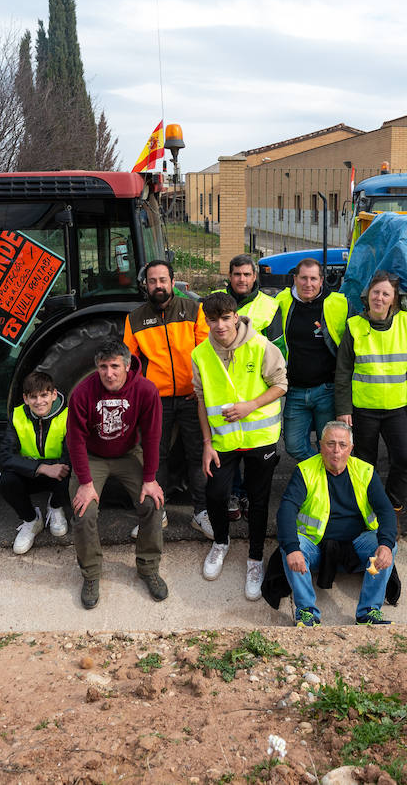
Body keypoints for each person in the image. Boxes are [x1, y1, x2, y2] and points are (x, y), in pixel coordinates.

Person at [191, 292, 287, 598]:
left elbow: (281, 385)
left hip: (260, 439)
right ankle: (221, 542)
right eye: (212, 319)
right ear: (206, 320)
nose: (219, 325)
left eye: (225, 318)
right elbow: (201, 400)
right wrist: (207, 443)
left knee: (258, 502)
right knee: (216, 494)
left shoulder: (260, 346)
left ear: (235, 316)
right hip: (223, 441)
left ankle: (255, 559)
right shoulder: (200, 354)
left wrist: (250, 406)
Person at [67, 341, 168, 609]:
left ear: (126, 365)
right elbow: (75, 440)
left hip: (127, 452)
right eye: (103, 367)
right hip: (93, 455)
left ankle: (148, 567)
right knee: (84, 510)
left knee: (152, 502)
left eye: (114, 366)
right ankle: (90, 573)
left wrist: (150, 478)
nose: (109, 373)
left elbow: (152, 436)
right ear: (96, 368)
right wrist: (86, 484)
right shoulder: (83, 392)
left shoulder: (145, 390)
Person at [277, 421, 397, 626]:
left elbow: (386, 511)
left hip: (357, 547)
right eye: (330, 444)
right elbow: (286, 511)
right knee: (290, 544)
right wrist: (292, 548)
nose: (336, 450)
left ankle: (369, 612)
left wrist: (385, 544)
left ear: (351, 448)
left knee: (387, 546)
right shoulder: (305, 471)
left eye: (342, 445)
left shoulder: (365, 471)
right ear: (320, 446)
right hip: (316, 549)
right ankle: (307, 613)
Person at [123, 258, 211, 537]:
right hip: (156, 400)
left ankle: (201, 513)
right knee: (154, 457)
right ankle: (156, 515)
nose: (158, 286)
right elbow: (130, 364)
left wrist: (202, 392)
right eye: (152, 281)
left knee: (197, 455)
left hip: (191, 397)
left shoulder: (193, 310)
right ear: (146, 285)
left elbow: (206, 354)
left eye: (163, 280)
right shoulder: (134, 319)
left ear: (173, 283)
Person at [335, 271, 407, 512]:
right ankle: (365, 508)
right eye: (376, 292)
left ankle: (392, 506)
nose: (380, 298)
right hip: (363, 410)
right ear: (368, 295)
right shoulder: (354, 326)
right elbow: (343, 371)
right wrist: (343, 409)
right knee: (364, 464)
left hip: (398, 410)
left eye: (386, 293)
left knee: (405, 459)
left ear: (393, 298)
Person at [212, 253, 283, 520]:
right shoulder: (215, 299)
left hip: (258, 392)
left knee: (257, 446)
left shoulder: (269, 305)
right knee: (229, 444)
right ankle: (235, 492)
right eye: (236, 274)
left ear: (255, 277)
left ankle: (252, 495)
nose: (241, 279)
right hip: (224, 388)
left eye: (246, 274)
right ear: (229, 276)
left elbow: (279, 349)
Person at [276, 257, 351, 462]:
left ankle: (325, 488)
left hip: (326, 390)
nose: (308, 284)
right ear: (295, 279)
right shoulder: (281, 302)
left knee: (327, 445)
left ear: (321, 280)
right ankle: (323, 473)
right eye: (303, 278)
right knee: (293, 445)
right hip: (295, 391)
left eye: (313, 279)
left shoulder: (338, 303)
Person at [0, 370, 71, 554]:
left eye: (44, 395)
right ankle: (32, 520)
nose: (39, 402)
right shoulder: (17, 416)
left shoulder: (68, 415)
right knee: (5, 480)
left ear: (54, 394)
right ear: (25, 398)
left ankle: (55, 506)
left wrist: (56, 467)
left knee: (74, 468)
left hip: (58, 473)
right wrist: (41, 467)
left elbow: (73, 454)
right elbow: (5, 455)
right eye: (33, 397)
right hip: (32, 471)